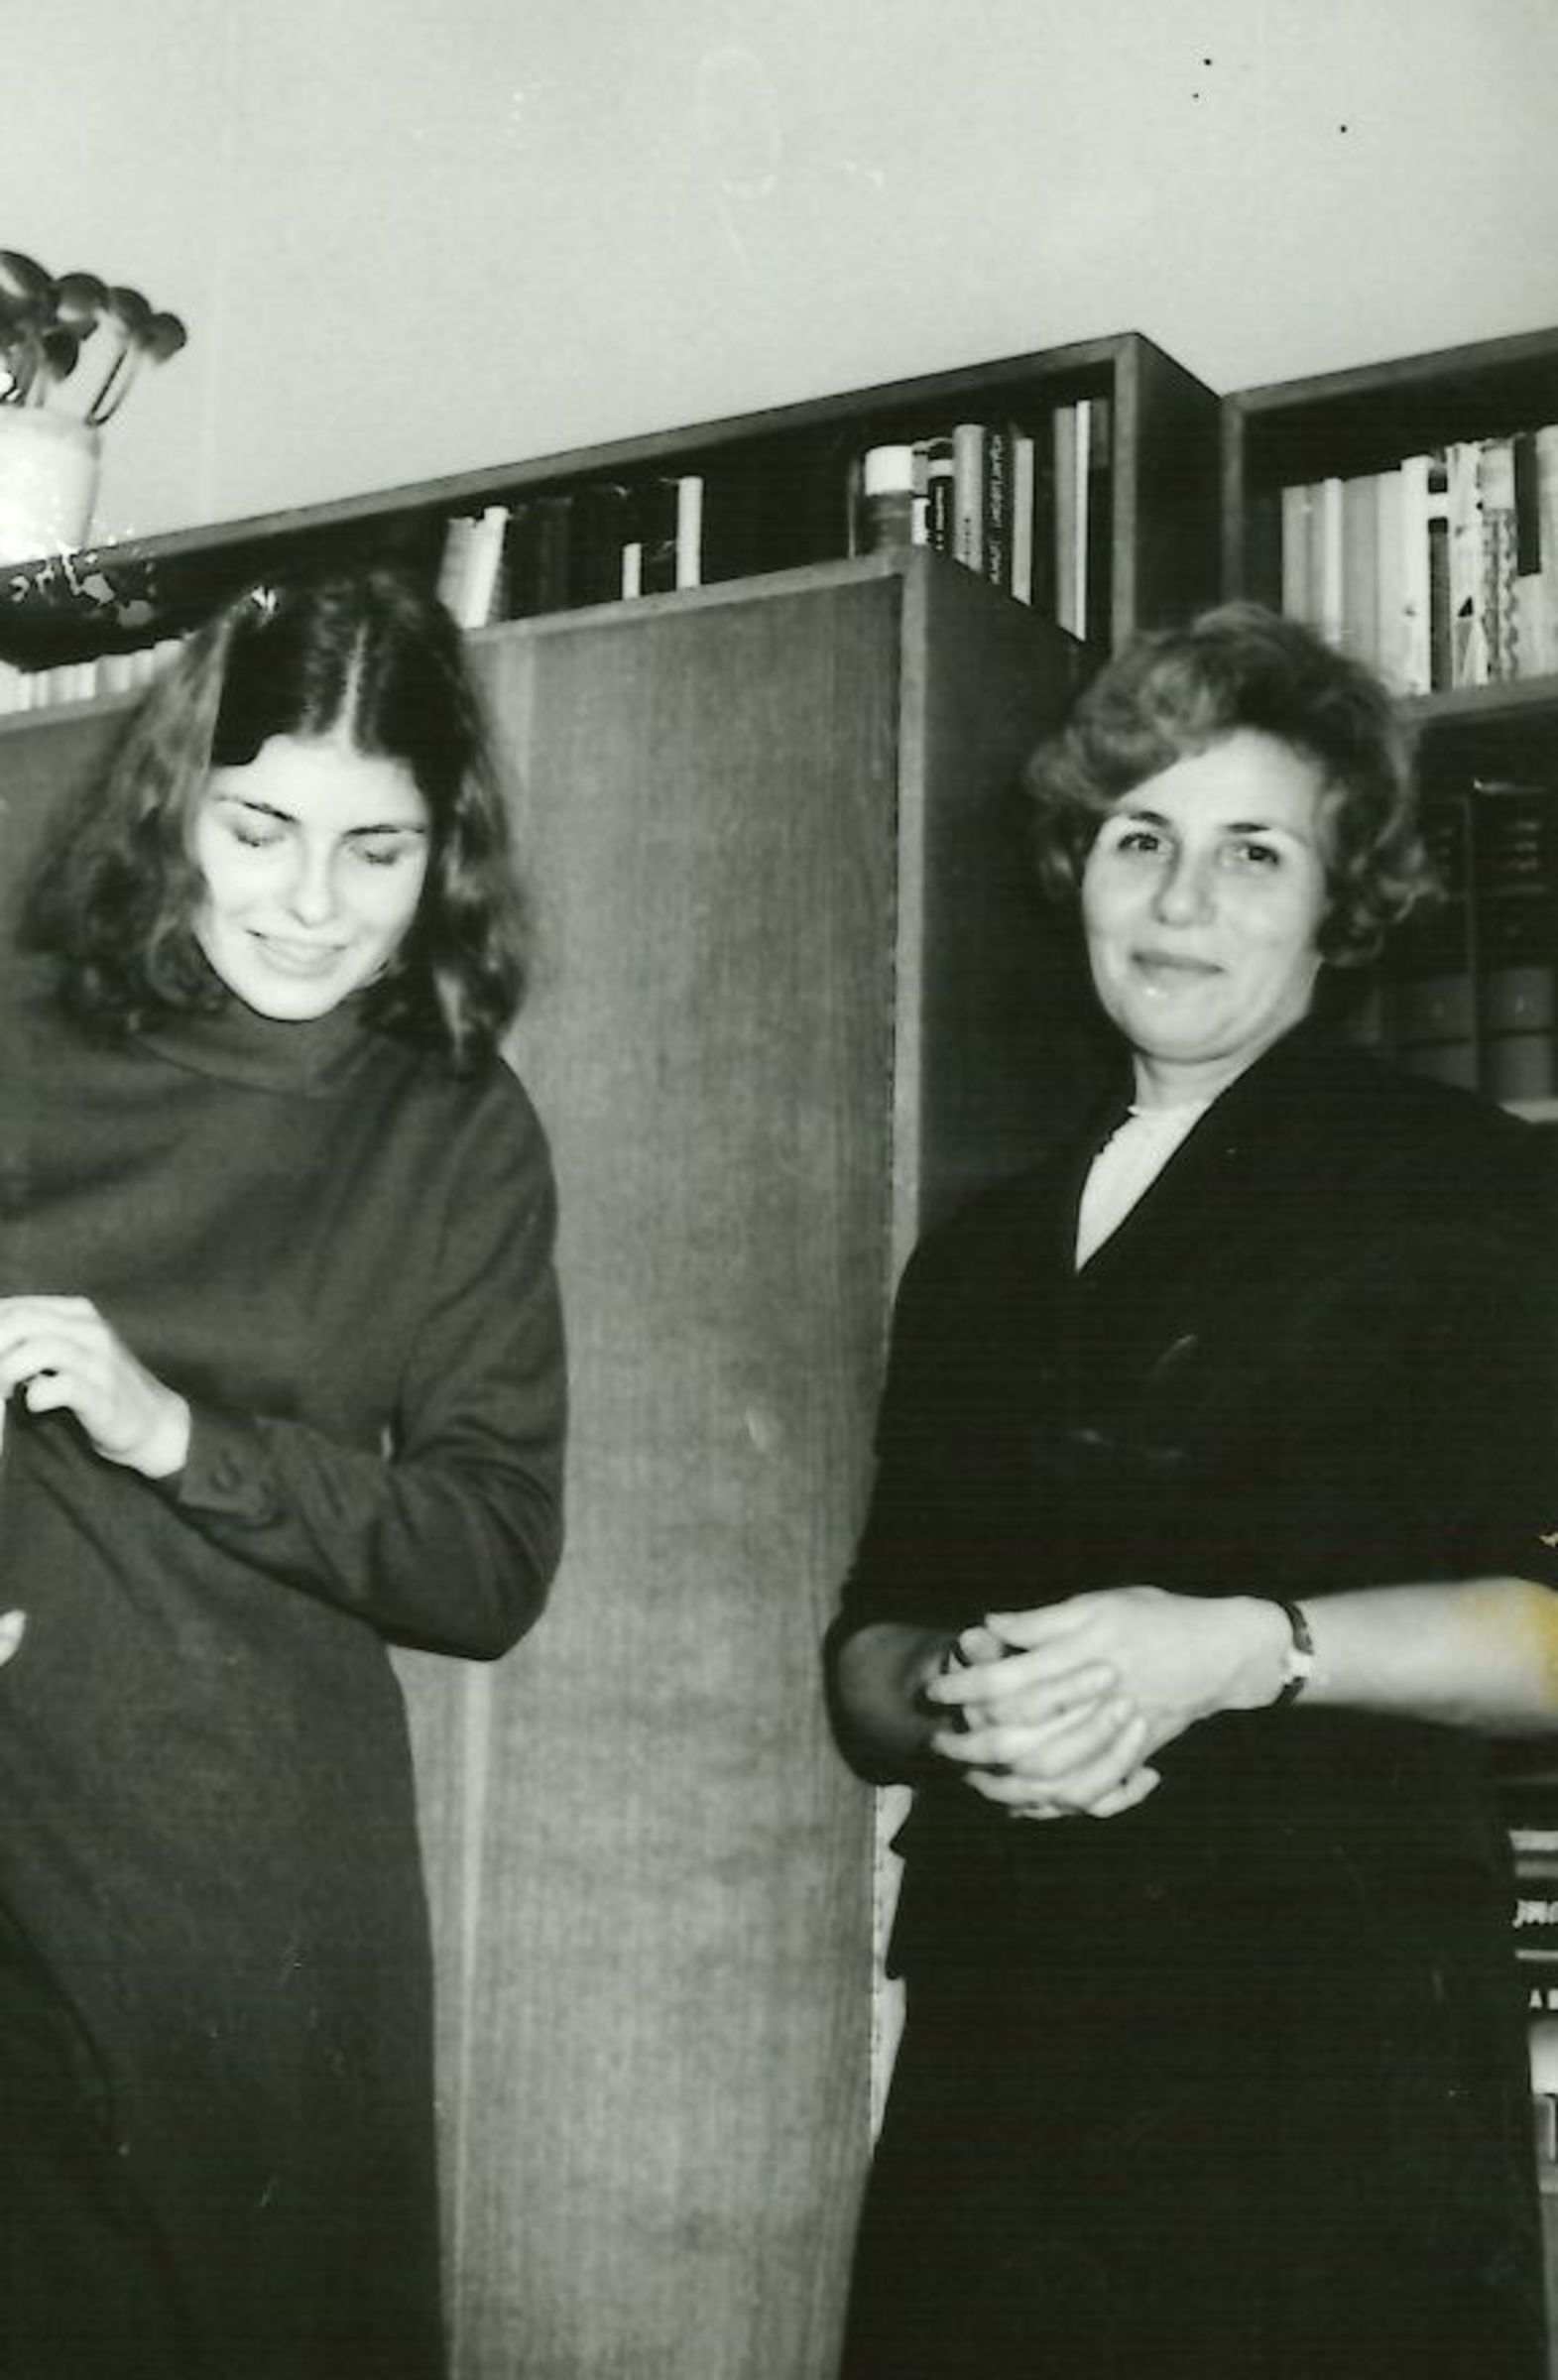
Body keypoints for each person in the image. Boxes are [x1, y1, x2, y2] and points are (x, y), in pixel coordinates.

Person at [826, 601, 1558, 2380]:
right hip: (1009, 2037)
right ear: (1078, 867)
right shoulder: (978, 1256)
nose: (1181, 900)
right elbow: (865, 1667)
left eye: (1254, 853)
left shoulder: (1465, 1187)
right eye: (1140, 838)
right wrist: (969, 1693)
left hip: (1331, 2045)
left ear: (1341, 901)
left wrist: (1240, 1650)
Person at [0, 566, 566, 2380]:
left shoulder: (456, 1124)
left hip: (250, 1880)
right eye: (260, 829)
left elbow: (491, 1559)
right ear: (177, 801)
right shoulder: (15, 1038)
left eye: (375, 849)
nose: (312, 905)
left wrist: (179, 1435)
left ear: (444, 854)